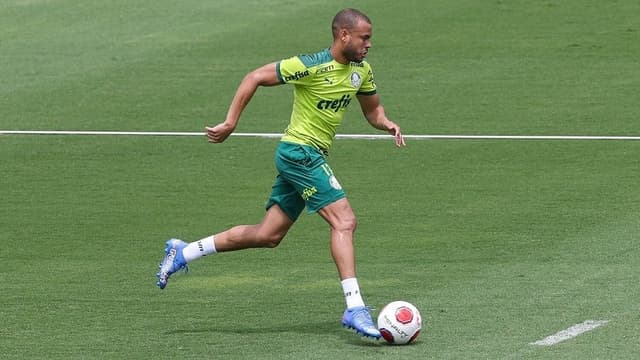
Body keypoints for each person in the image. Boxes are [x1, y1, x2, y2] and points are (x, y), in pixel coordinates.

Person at [156, 8, 405, 339]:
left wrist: (385, 123)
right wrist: (231, 122)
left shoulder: (362, 72)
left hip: (306, 156)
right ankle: (355, 306)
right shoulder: (310, 65)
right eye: (364, 37)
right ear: (343, 35)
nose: (369, 44)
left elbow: (373, 110)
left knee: (268, 235)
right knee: (344, 221)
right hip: (299, 153)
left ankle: (184, 251)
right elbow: (254, 77)